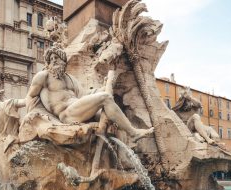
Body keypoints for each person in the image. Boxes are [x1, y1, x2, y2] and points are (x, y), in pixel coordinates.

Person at [25, 44, 153, 142]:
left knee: (111, 118)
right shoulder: (43, 76)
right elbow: (30, 97)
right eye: (51, 59)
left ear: (63, 60)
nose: (53, 61)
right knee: (106, 98)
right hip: (66, 114)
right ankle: (133, 133)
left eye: (56, 58)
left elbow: (84, 95)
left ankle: (123, 154)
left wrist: (103, 87)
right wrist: (41, 118)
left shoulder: (70, 78)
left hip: (78, 109)